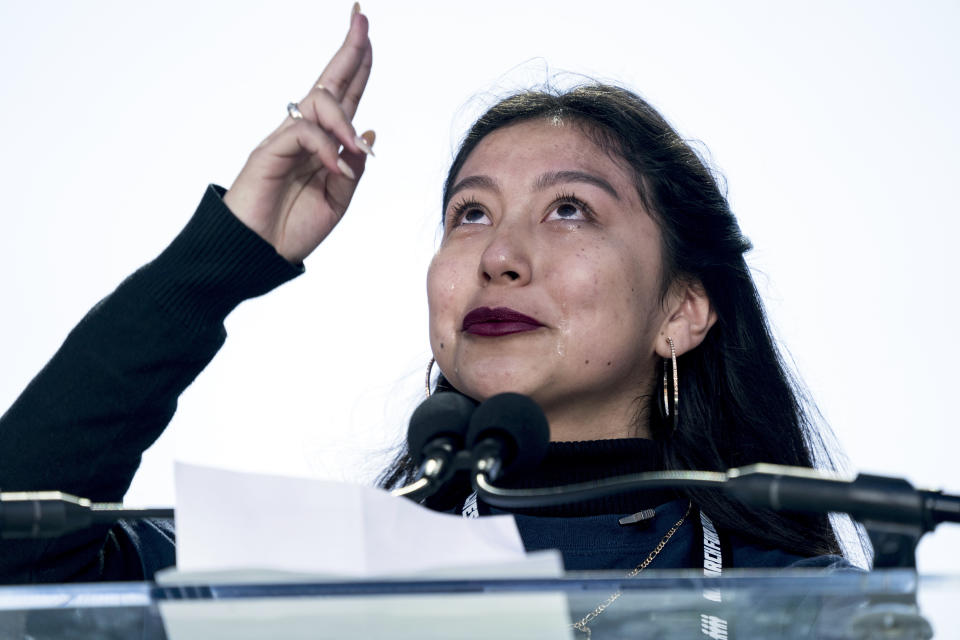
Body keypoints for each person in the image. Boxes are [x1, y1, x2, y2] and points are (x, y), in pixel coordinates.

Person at [0, 4, 850, 591]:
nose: (500, 256)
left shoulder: (805, 604)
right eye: (470, 214)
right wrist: (225, 255)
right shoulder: (334, 574)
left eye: (569, 210)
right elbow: (16, 545)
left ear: (683, 312)